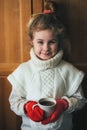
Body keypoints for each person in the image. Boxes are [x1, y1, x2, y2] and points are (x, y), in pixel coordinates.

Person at [7, 1, 86, 130]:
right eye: (40, 42)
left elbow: (81, 100)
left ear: (59, 41)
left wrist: (64, 104)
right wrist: (27, 107)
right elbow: (14, 102)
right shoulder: (24, 70)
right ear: (31, 41)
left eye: (52, 42)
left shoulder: (68, 70)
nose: (46, 48)